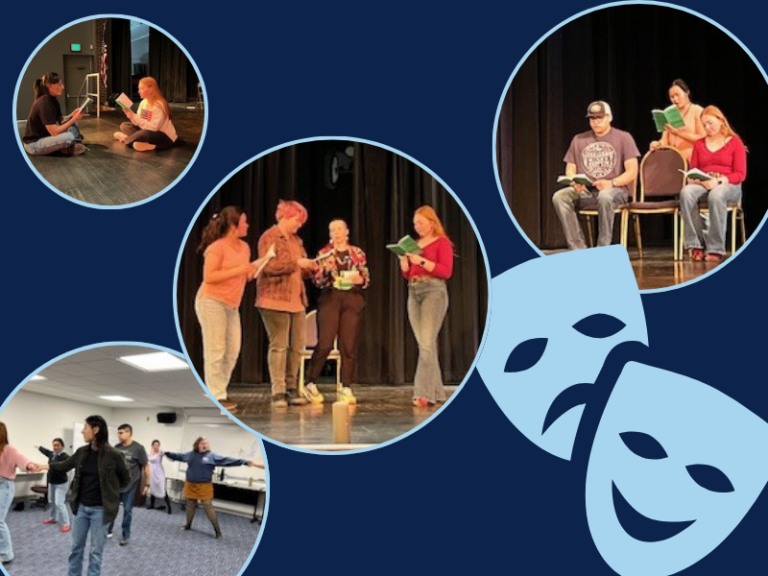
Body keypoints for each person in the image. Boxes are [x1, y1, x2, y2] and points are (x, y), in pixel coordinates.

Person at [196, 206, 273, 413]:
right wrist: (240, 269)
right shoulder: (217, 248)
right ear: (233, 225)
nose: (247, 225)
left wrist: (259, 265)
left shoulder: (245, 247)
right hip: (211, 301)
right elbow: (209, 277)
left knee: (232, 350)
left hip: (231, 305)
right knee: (216, 349)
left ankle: (220, 391)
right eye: (244, 222)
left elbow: (244, 276)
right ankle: (216, 395)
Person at [41, 416, 131, 576]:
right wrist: (42, 465)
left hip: (101, 511)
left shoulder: (114, 454)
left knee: (96, 552)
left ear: (95, 430)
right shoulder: (82, 452)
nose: (83, 430)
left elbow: (126, 479)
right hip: (81, 508)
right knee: (76, 549)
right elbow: (63, 466)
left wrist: (111, 493)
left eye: (85, 427)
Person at [552, 101, 640, 249]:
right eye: (593, 118)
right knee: (560, 197)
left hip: (616, 190)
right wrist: (574, 182)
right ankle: (578, 249)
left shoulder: (624, 138)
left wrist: (611, 183)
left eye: (600, 118)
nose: (596, 122)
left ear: (609, 117)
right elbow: (570, 168)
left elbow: (632, 171)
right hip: (587, 191)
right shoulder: (579, 139)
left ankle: (602, 248)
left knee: (605, 196)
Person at [257, 200, 318, 408]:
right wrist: (296, 263)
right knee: (279, 346)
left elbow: (300, 269)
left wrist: (311, 267)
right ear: (284, 216)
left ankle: (292, 387)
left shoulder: (296, 241)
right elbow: (268, 266)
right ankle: (278, 390)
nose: (298, 225)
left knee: (297, 346)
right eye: (296, 220)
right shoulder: (269, 237)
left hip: (297, 301)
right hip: (274, 300)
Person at [304, 219, 370, 404]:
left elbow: (366, 278)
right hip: (331, 298)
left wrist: (359, 279)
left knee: (348, 345)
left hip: (352, 298)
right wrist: (324, 272)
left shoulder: (357, 253)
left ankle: (346, 387)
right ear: (330, 234)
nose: (337, 233)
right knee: (325, 343)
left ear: (347, 231)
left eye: (340, 229)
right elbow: (317, 282)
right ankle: (310, 382)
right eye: (333, 230)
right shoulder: (324, 253)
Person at [399, 206, 454, 406]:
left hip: (433, 291)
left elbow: (445, 271)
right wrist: (404, 264)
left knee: (426, 343)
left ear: (432, 222)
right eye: (415, 223)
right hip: (413, 291)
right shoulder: (414, 244)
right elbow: (408, 274)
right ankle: (437, 393)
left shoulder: (442, 242)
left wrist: (420, 260)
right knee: (425, 344)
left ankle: (423, 393)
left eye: (421, 222)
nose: (418, 227)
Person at [679, 105, 747, 262]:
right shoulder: (699, 144)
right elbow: (694, 169)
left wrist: (718, 180)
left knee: (716, 195)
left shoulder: (735, 142)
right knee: (686, 192)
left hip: (728, 183)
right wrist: (694, 178)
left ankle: (715, 247)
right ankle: (696, 245)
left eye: (710, 123)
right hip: (704, 181)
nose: (707, 127)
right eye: (704, 125)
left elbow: (740, 174)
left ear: (720, 120)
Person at [164, 437, 263, 540]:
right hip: (190, 485)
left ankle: (217, 531)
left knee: (208, 508)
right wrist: (167, 453)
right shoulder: (191, 454)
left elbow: (228, 460)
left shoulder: (211, 456)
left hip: (204, 487)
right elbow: (179, 456)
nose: (205, 445)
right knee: (190, 506)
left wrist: (245, 462)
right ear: (197, 444)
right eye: (202, 443)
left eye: (206, 443)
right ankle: (188, 524)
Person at [0, 422, 40, 565]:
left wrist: (29, 465)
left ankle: (6, 554)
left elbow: (22, 459)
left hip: (4, 486)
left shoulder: (9, 450)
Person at [22, 72, 86, 157]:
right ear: (49, 86)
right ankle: (70, 145)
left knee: (73, 123)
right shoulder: (44, 103)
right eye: (59, 84)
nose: (62, 87)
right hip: (34, 145)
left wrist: (72, 115)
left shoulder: (53, 100)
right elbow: (54, 132)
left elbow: (60, 119)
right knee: (69, 136)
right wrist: (74, 118)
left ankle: (70, 144)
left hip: (46, 137)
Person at [107, 424, 149, 545]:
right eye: (118, 433)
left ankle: (126, 535)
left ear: (129, 433)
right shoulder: (116, 447)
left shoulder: (138, 448)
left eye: (121, 433)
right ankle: (108, 530)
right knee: (111, 508)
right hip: (116, 484)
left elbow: (146, 466)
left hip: (130, 485)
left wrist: (147, 484)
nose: (118, 435)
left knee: (127, 510)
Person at [113, 77, 177, 152]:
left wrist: (134, 116)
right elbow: (139, 122)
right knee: (124, 126)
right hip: (147, 130)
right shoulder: (143, 102)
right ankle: (146, 144)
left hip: (164, 137)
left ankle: (125, 139)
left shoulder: (159, 105)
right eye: (139, 89)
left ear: (150, 89)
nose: (139, 91)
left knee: (144, 133)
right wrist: (131, 116)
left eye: (142, 89)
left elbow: (154, 128)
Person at [649, 79, 705, 161]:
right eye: (672, 97)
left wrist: (678, 133)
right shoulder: (669, 113)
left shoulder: (697, 111)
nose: (675, 99)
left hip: (692, 159)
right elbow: (664, 140)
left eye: (677, 95)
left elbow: (702, 140)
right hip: (673, 160)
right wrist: (658, 144)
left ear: (687, 93)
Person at [36, 438, 71, 532]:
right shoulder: (52, 454)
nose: (55, 447)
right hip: (52, 482)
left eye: (58, 445)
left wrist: (49, 467)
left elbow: (61, 467)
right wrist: (38, 447)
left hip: (61, 483)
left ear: (62, 446)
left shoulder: (65, 457)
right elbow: (46, 451)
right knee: (52, 502)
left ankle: (66, 523)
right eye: (54, 445)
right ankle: (53, 518)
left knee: (59, 503)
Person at [147, 440, 171, 513]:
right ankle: (152, 505)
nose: (156, 446)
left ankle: (169, 507)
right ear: (152, 445)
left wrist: (167, 453)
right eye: (155, 445)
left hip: (159, 474)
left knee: (163, 490)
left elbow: (166, 454)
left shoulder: (160, 452)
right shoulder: (150, 453)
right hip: (152, 474)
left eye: (157, 445)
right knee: (152, 489)